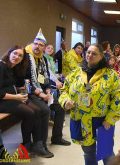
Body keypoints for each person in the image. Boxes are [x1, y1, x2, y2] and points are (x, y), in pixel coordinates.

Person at [59, 44, 120, 165]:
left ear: (101, 56)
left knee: (106, 152)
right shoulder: (76, 73)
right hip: (82, 119)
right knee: (88, 152)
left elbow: (117, 98)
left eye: (94, 53)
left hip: (103, 121)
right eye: (88, 52)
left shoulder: (111, 75)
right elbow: (64, 90)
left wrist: (110, 119)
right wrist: (65, 101)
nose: (90, 55)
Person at [20, 29, 55, 158]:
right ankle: (40, 144)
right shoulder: (26, 57)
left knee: (58, 105)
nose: (37, 47)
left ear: (44, 47)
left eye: (41, 45)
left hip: (39, 91)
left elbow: (44, 78)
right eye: (36, 43)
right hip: (27, 92)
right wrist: (40, 94)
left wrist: (48, 90)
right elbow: (25, 79)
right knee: (44, 110)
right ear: (32, 44)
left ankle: (56, 138)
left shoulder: (42, 60)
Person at [0, 46, 36, 153]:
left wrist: (19, 89)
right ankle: (26, 144)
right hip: (2, 101)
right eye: (15, 53)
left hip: (9, 98)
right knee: (29, 112)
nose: (17, 57)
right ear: (9, 53)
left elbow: (8, 85)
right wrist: (17, 97)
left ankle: (29, 143)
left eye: (20, 56)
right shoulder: (1, 66)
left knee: (35, 110)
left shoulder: (11, 68)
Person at [43, 44, 71, 146]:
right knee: (45, 111)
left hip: (47, 87)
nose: (50, 49)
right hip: (41, 90)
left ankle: (57, 137)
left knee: (60, 108)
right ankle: (41, 142)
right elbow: (47, 73)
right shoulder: (42, 59)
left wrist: (58, 78)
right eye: (48, 48)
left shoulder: (50, 59)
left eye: (52, 48)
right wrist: (56, 81)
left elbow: (52, 72)